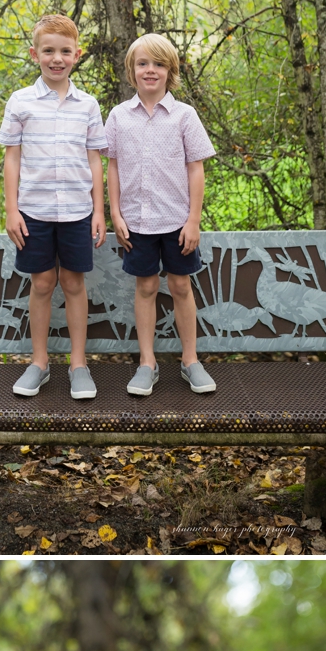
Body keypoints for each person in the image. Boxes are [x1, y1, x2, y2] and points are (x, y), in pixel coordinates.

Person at [0, 14, 108, 400]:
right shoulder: (21, 102)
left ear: (77, 55)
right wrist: (12, 210)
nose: (56, 59)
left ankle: (78, 365)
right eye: (48, 51)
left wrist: (99, 211)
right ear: (35, 54)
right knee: (43, 282)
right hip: (34, 210)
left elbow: (95, 159)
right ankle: (40, 363)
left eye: (65, 51)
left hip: (77, 210)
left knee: (73, 283)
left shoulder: (88, 105)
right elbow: (12, 159)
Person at [104, 33, 218, 396]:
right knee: (147, 286)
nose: (150, 70)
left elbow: (196, 169)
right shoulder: (119, 116)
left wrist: (193, 220)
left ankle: (190, 360)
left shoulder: (184, 116)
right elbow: (113, 168)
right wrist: (116, 214)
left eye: (158, 64)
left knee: (181, 286)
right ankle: (147, 363)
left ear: (171, 71)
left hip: (177, 222)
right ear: (131, 70)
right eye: (142, 63)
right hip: (136, 222)